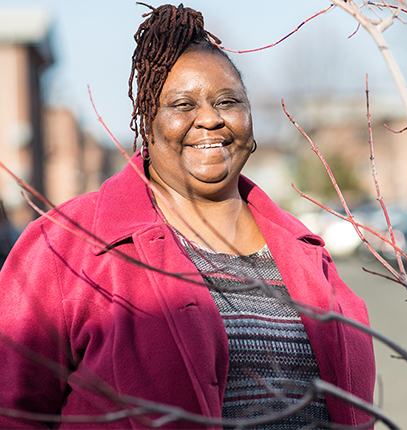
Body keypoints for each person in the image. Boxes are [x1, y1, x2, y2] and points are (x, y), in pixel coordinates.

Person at [0, 3, 375, 429]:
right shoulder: (66, 246)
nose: (211, 119)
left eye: (228, 101)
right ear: (147, 122)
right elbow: (12, 409)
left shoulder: (307, 253)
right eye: (183, 104)